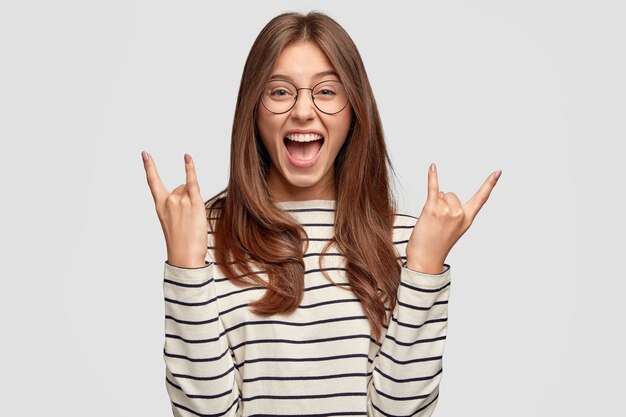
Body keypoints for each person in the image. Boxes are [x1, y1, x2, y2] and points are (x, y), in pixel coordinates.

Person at [142, 11, 501, 417]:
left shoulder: (407, 241)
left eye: (327, 91)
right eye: (279, 92)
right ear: (253, 109)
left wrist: (425, 269)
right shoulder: (199, 234)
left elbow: (401, 413)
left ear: (354, 111)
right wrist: (185, 268)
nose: (303, 111)